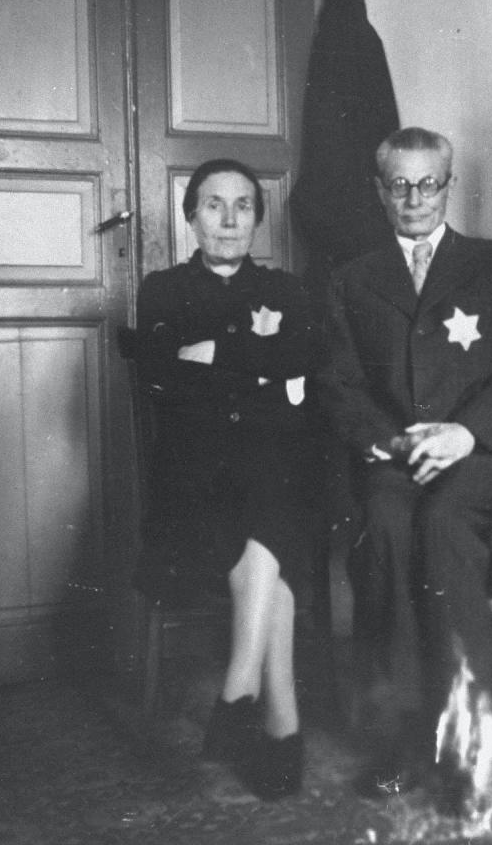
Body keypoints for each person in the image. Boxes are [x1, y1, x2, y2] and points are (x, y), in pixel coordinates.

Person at [317, 127, 492, 794]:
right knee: (387, 524)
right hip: (394, 451)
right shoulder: (352, 278)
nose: (414, 197)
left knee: (447, 524)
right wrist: (394, 441)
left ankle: (464, 737)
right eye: (399, 184)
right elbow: (339, 383)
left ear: (450, 185)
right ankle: (394, 737)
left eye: (428, 183)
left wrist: (466, 435)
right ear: (379, 191)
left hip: (482, 451)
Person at [128, 159, 321, 799]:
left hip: (267, 462)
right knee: (274, 518)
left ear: (258, 219)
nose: (231, 219)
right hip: (192, 471)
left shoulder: (288, 290)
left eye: (244, 205)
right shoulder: (161, 289)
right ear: (190, 215)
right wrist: (257, 361)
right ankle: (277, 718)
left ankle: (243, 698)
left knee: (271, 482)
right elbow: (162, 372)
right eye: (214, 205)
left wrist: (212, 351)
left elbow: (303, 364)